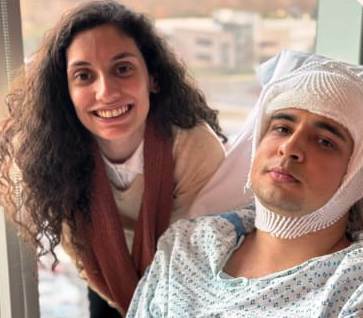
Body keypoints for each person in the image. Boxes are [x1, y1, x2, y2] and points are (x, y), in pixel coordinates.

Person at [0, 0, 227, 316]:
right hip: (105, 285)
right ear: (64, 91)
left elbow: (195, 258)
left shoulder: (195, 148)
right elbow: (82, 255)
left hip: (183, 295)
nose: (106, 91)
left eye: (122, 69)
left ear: (153, 78)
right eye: (83, 76)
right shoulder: (50, 154)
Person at [126, 52, 363, 317]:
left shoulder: (353, 285)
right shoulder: (187, 246)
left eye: (325, 142)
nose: (290, 148)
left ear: (355, 174)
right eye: (282, 128)